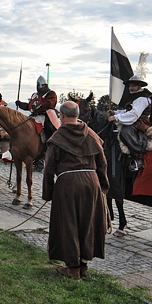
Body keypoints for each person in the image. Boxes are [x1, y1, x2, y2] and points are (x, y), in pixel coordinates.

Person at [42, 100, 109, 280]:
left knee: (69, 225)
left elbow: (49, 168)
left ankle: (73, 268)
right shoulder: (92, 135)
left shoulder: (57, 138)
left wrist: (48, 192)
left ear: (62, 116)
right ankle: (83, 265)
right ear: (77, 115)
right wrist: (102, 186)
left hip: (68, 184)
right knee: (87, 224)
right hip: (91, 182)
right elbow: (102, 163)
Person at [107, 75, 152, 171]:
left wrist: (116, 118)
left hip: (141, 122)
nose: (130, 88)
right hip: (135, 119)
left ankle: (138, 157)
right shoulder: (135, 97)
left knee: (125, 133)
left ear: (139, 86)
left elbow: (134, 114)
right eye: (130, 86)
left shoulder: (142, 98)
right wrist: (115, 113)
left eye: (133, 86)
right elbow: (127, 111)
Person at [16, 76, 58, 140]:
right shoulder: (35, 95)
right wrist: (20, 104)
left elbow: (49, 103)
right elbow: (30, 106)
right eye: (38, 86)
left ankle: (51, 144)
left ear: (45, 86)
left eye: (42, 86)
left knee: (48, 128)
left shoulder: (51, 94)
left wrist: (39, 110)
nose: (40, 87)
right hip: (35, 116)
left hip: (47, 116)